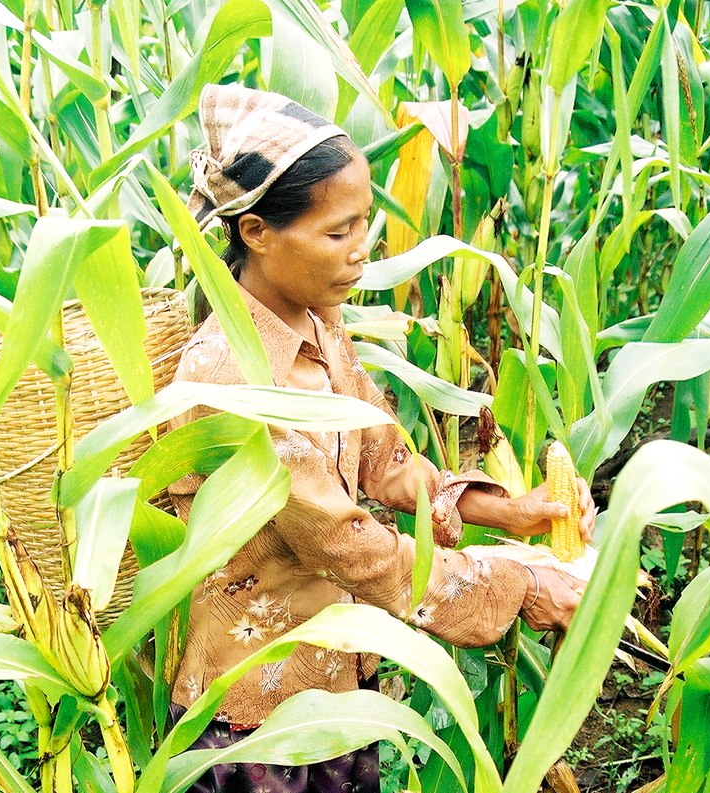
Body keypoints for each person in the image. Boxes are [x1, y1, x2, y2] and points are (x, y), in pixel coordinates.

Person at [168, 83, 596, 793]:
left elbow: (381, 453)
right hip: (259, 718)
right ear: (256, 232)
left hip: (340, 677)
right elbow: (348, 546)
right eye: (339, 233)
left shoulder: (319, 324)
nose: (361, 253)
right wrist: (517, 584)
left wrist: (505, 509)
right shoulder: (231, 377)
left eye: (364, 225)